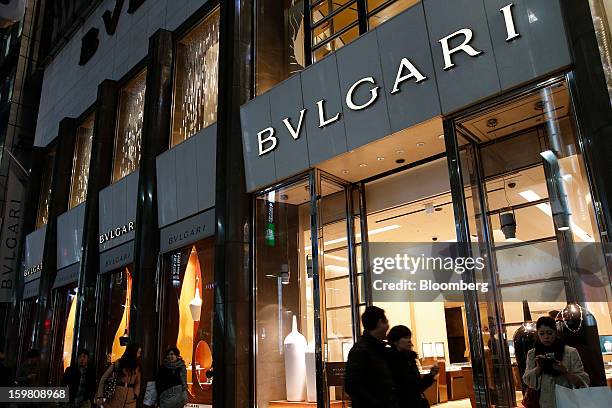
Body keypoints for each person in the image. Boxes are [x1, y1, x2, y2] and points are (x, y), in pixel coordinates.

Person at [523, 316, 589, 408]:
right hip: (544, 402)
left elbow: (583, 381)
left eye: (549, 333)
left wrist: (564, 371)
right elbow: (527, 379)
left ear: (556, 333)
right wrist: (538, 368)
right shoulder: (532, 353)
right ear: (537, 334)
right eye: (541, 334)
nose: (546, 337)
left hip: (568, 401)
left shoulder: (570, 352)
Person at [345, 306, 398, 408]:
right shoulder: (361, 350)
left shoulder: (379, 348)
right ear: (379, 322)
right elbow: (352, 386)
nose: (388, 326)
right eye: (386, 322)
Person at [386, 325, 438, 408]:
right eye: (405, 337)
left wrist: (431, 375)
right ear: (395, 342)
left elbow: (417, 387)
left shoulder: (410, 360)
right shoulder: (390, 362)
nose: (409, 340)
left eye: (409, 337)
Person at [95, 343, 142, 408]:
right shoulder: (119, 363)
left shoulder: (137, 367)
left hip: (130, 400)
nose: (139, 355)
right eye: (138, 352)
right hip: (116, 397)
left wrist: (135, 395)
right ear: (133, 352)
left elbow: (138, 383)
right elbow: (103, 378)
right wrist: (100, 396)